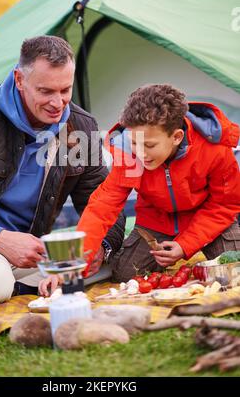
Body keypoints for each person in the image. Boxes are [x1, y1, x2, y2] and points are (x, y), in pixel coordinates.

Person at [0, 35, 125, 315]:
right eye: (46, 91)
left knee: (116, 261)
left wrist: (101, 246)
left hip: (28, 252)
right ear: (19, 79)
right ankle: (5, 286)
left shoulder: (80, 127)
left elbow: (105, 200)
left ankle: (18, 289)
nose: (58, 103)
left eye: (65, 90)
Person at [39, 83, 240, 292]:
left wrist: (185, 245)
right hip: (157, 221)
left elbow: (224, 205)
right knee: (125, 275)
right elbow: (102, 208)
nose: (141, 153)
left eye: (150, 145)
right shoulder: (129, 154)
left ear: (177, 137)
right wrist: (69, 269)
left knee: (233, 270)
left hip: (211, 221)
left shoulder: (214, 148)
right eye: (134, 142)